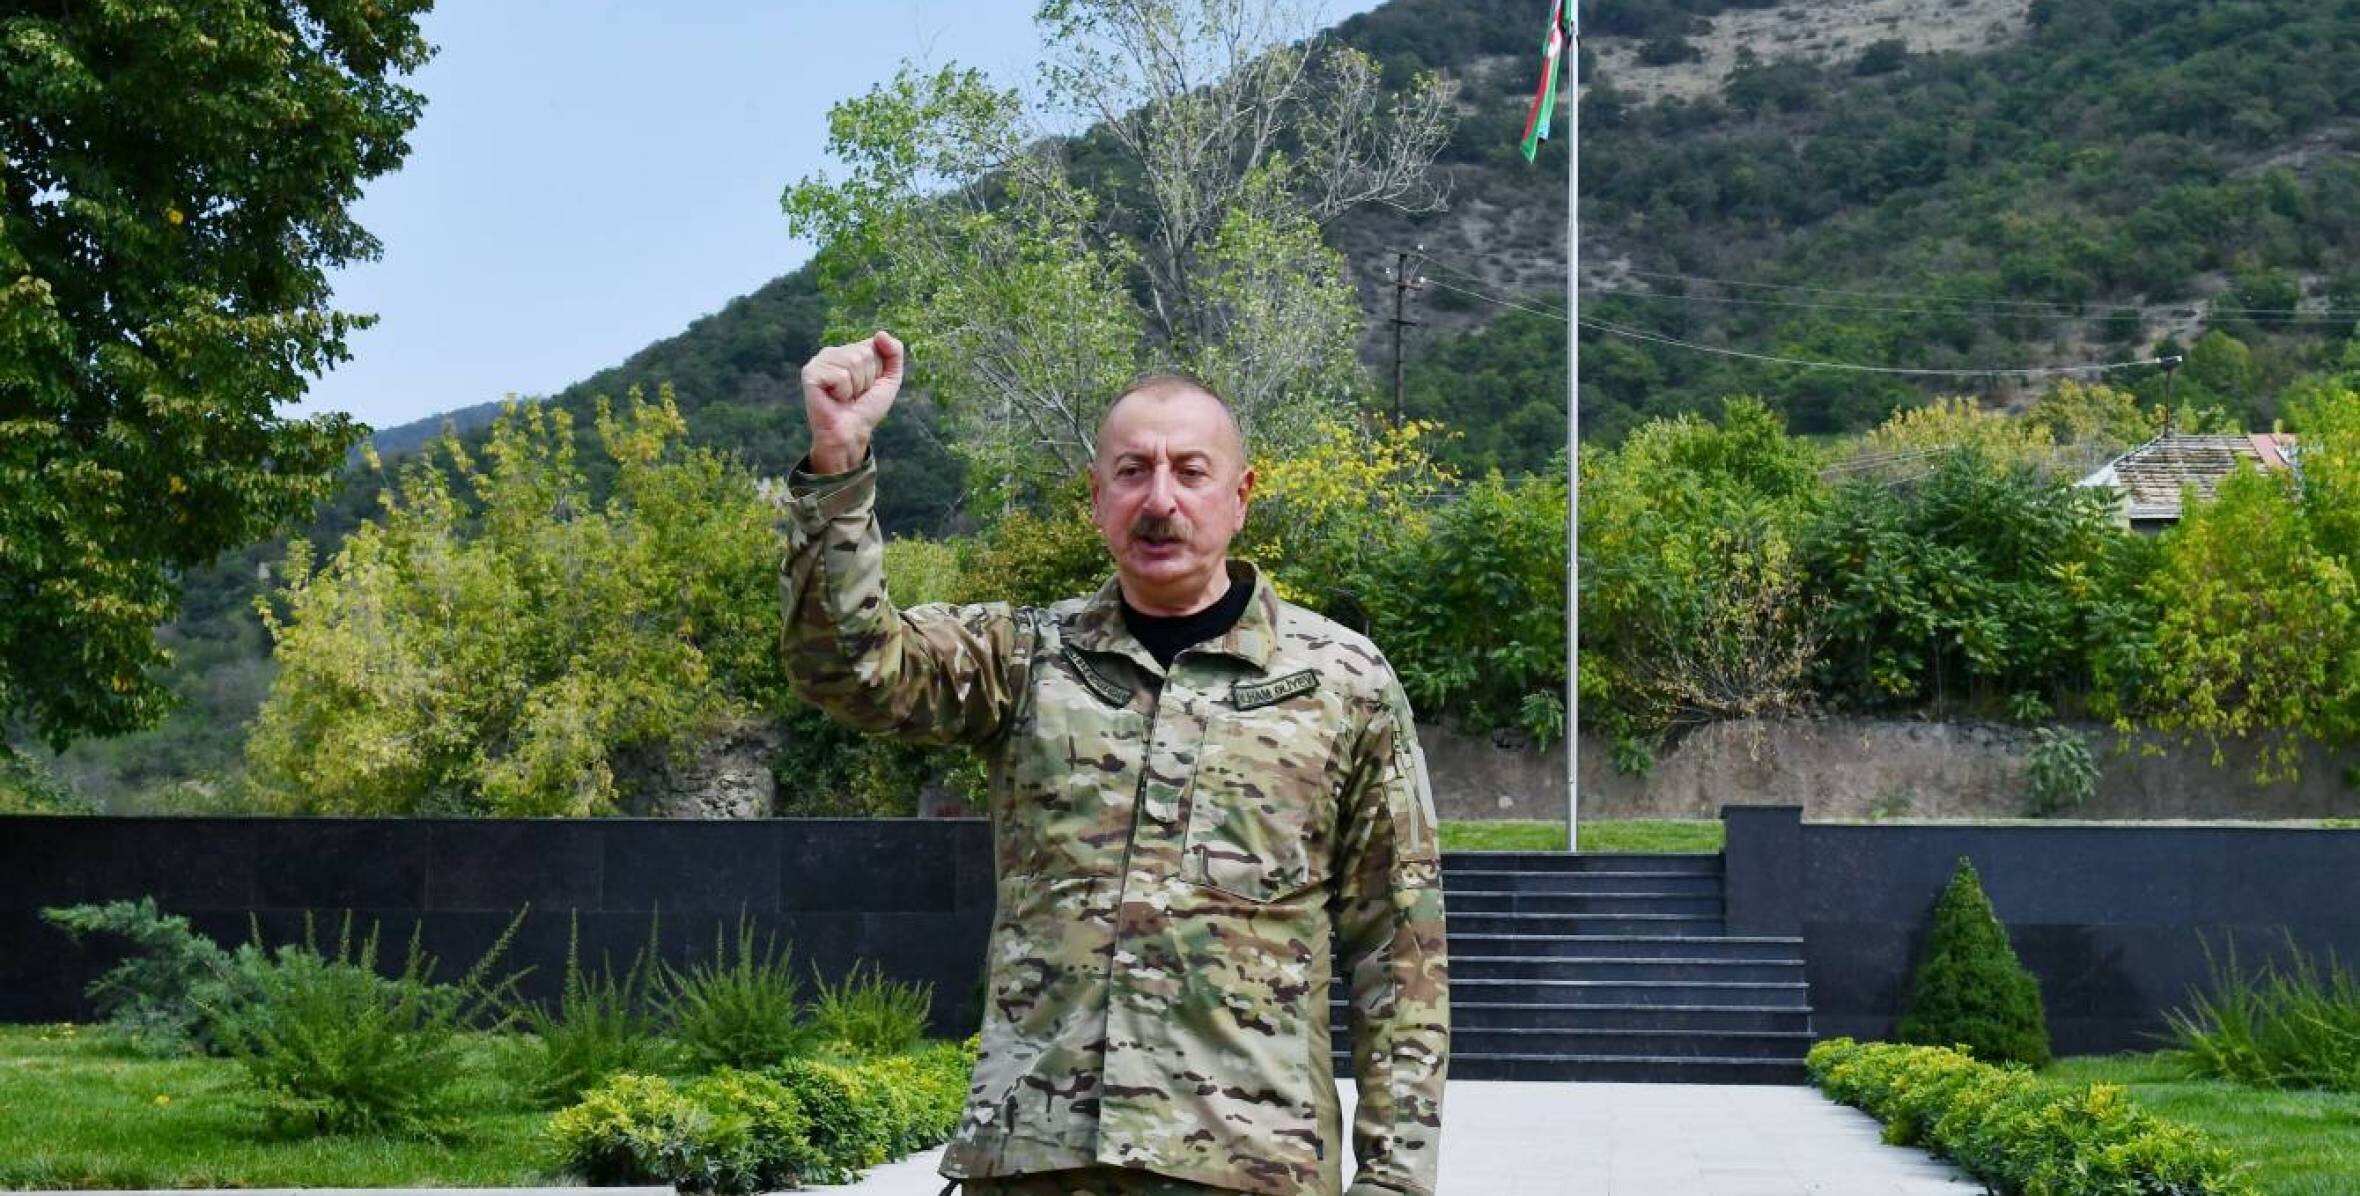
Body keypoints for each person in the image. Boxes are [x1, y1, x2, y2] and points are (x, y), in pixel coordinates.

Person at [776, 330, 1448, 1196]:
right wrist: (838, 461)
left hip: (1249, 1166)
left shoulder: (1341, 682)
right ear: (1097, 498)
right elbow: (848, 669)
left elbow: (1401, 949)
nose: (1160, 500)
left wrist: (1395, 1178)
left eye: (1191, 472)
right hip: (1037, 1159)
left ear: (1241, 496)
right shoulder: (1023, 659)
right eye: (1132, 472)